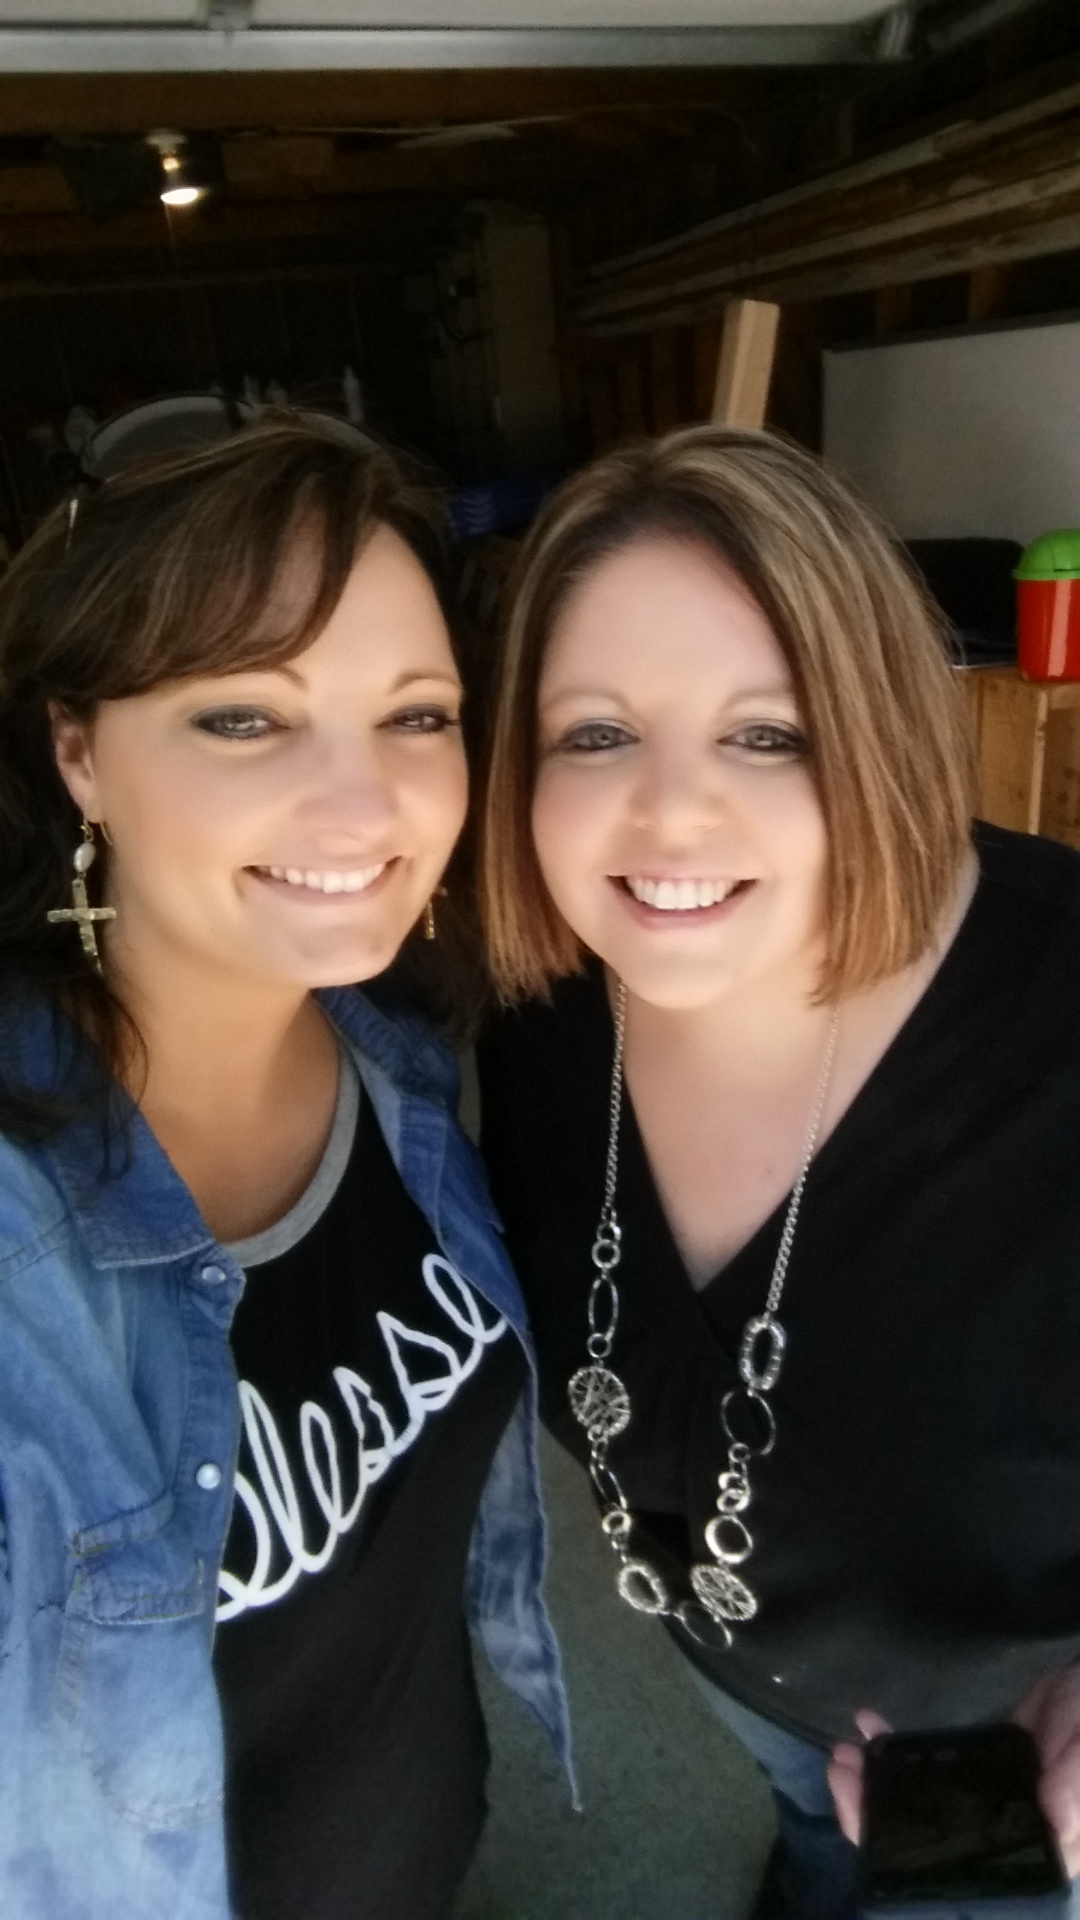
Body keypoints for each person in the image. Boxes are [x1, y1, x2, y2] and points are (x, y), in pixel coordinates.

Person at [477, 424, 1080, 1919]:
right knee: (810, 1848)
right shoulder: (542, 1022)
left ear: (875, 730)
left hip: (1028, 1769)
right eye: (596, 734)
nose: (671, 812)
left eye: (768, 734)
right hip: (745, 1692)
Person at [0, 418, 569, 1920]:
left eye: (417, 714)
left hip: (429, 1848)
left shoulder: (408, 1058)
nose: (366, 805)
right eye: (244, 717)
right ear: (78, 750)